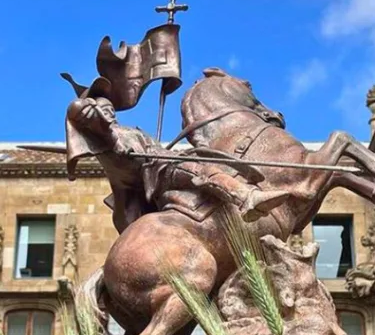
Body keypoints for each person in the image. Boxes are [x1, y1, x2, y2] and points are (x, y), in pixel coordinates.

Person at [65, 96, 292, 234]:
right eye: (102, 112)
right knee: (200, 169)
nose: (109, 114)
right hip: (161, 172)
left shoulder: (122, 132)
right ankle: (246, 198)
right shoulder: (109, 138)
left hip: (159, 165)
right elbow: (114, 140)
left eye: (110, 110)